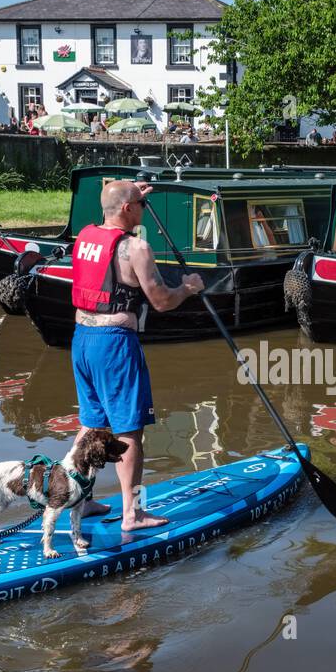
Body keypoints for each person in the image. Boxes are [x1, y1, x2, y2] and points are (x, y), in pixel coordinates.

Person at [68, 180, 205, 532]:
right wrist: (188, 288)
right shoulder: (136, 248)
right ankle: (133, 513)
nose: (144, 210)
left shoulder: (84, 237)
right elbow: (161, 301)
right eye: (140, 206)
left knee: (92, 426)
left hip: (82, 340)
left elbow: (116, 217)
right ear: (129, 209)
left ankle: (79, 501)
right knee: (130, 431)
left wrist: (132, 195)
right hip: (114, 345)